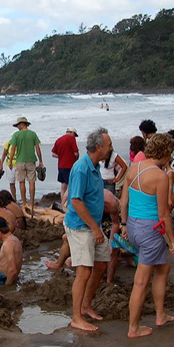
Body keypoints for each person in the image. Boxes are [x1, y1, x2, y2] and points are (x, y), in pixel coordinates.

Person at [120, 133, 174, 338]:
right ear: (164, 153)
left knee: (163, 268)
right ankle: (133, 328)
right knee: (140, 282)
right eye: (170, 154)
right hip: (150, 231)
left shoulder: (134, 168)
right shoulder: (160, 176)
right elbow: (164, 214)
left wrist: (124, 225)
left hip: (135, 226)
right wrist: (173, 242)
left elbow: (124, 202)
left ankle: (160, 314)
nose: (169, 159)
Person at [62, 127, 113, 332]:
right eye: (108, 145)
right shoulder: (81, 168)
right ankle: (76, 317)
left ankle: (86, 305)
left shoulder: (96, 166)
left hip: (93, 225)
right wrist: (95, 228)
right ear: (98, 147)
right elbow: (75, 201)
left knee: (100, 264)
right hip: (81, 226)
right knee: (83, 271)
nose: (111, 148)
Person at [9, 116, 43, 210]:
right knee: (32, 182)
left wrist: (11, 161)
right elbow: (37, 148)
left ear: (21, 124)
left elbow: (13, 149)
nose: (18, 127)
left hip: (20, 161)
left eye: (18, 125)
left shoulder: (16, 135)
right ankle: (31, 203)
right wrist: (40, 160)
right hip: (31, 160)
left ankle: (24, 203)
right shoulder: (33, 134)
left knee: (21, 181)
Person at [52, 127, 80, 208]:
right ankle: (64, 204)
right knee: (70, 185)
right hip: (69, 165)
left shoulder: (58, 140)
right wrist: (76, 159)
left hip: (60, 166)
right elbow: (76, 153)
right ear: (72, 133)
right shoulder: (71, 139)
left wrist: (61, 156)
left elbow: (53, 154)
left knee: (63, 186)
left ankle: (62, 202)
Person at [0, 133, 18, 202]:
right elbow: (4, 154)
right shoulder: (8, 143)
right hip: (10, 165)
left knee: (22, 182)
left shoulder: (20, 143)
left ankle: (22, 198)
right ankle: (14, 198)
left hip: (19, 164)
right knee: (12, 183)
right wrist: (1, 164)